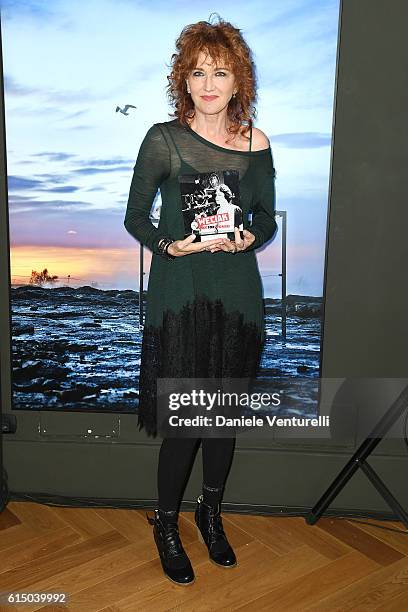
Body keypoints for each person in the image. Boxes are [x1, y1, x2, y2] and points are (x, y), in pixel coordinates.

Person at [124, 16, 277, 586]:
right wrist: (169, 244)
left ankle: (209, 514)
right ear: (182, 81)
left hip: (238, 294)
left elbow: (264, 218)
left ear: (239, 82)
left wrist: (251, 238)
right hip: (181, 292)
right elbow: (135, 216)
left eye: (220, 71)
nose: (208, 83)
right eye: (197, 73)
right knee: (187, 422)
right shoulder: (162, 139)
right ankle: (165, 523)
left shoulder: (255, 142)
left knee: (223, 421)